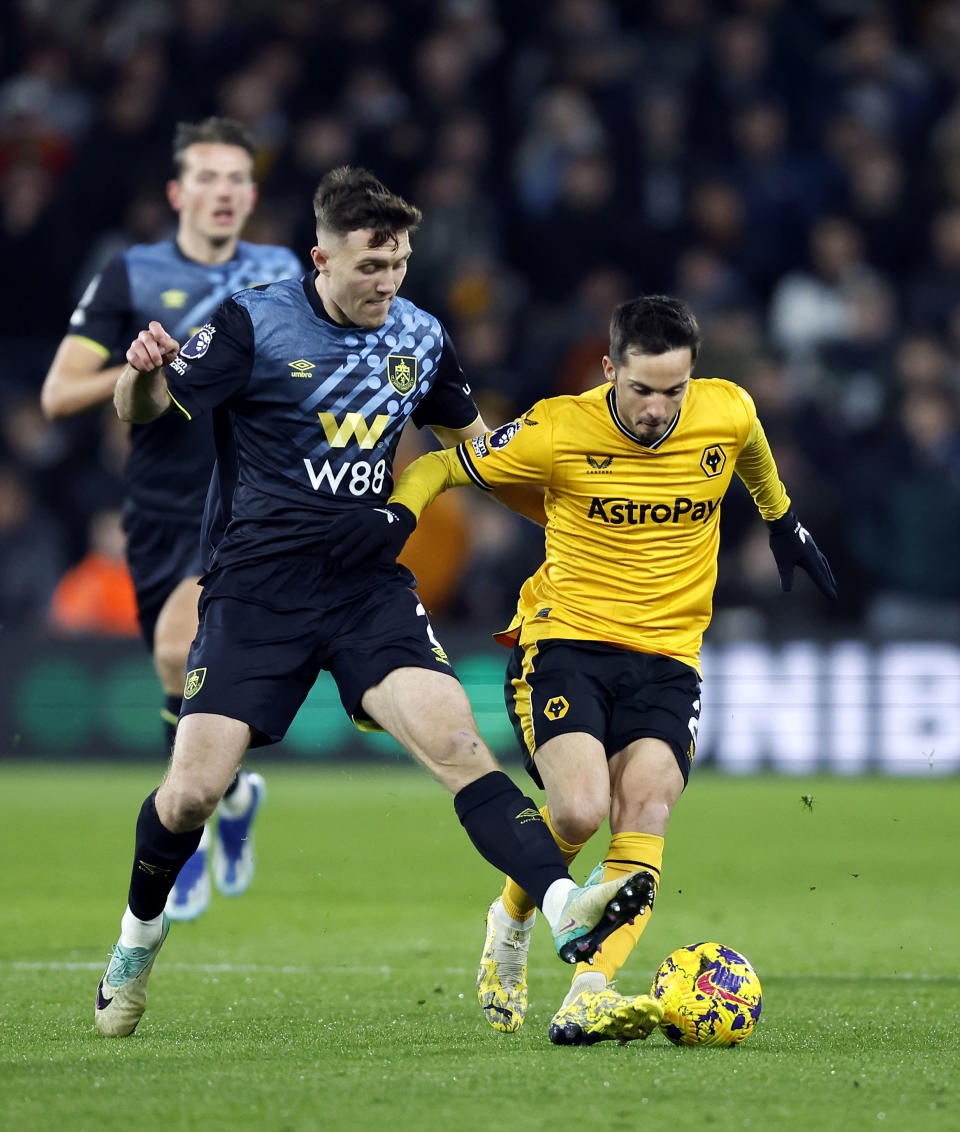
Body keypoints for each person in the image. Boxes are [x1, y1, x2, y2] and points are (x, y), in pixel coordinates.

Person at [93, 166, 654, 1039]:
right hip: (257, 590)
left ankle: (563, 907)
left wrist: (568, 496)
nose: (386, 284)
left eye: (397, 265)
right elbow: (145, 411)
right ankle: (138, 938)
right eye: (368, 267)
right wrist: (138, 373)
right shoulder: (254, 323)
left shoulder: (422, 337)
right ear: (322, 258)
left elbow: (476, 447)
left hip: (366, 591)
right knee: (193, 792)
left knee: (462, 746)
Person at [362, 294, 837, 1045]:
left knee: (645, 811)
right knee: (580, 811)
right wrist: (396, 517)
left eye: (673, 391)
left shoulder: (727, 411)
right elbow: (442, 468)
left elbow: (751, 450)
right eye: (642, 390)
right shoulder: (557, 427)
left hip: (671, 658)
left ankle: (591, 989)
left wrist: (782, 520)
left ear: (693, 376)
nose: (657, 409)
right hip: (566, 646)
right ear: (610, 367)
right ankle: (511, 918)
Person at [41, 118, 301, 921]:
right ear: (177, 193)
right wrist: (149, 365)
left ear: (252, 196)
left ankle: (177, 832)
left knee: (169, 644)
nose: (224, 192)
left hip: (247, 496)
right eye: (208, 178)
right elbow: (57, 394)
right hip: (158, 504)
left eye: (237, 180)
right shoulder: (134, 273)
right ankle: (225, 798)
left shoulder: (282, 269)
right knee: (171, 666)